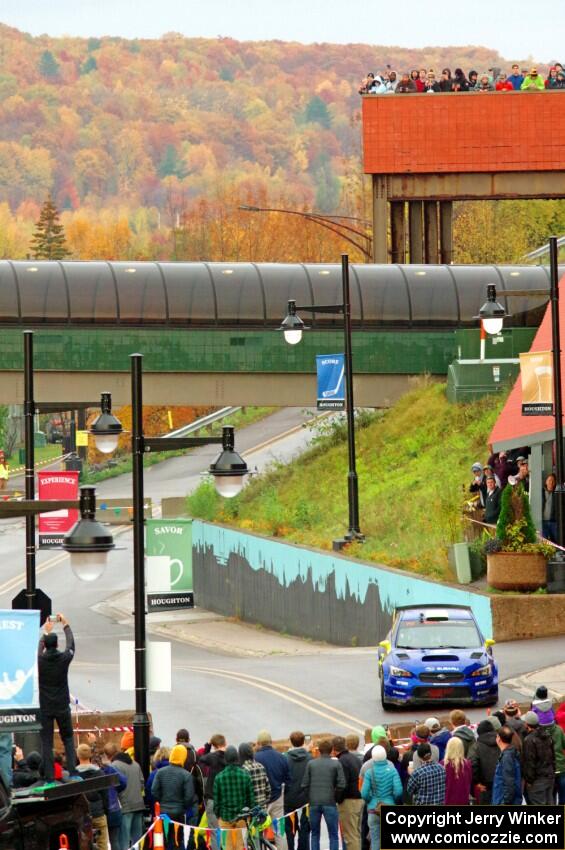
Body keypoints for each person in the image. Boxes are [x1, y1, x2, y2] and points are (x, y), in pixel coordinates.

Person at [37, 613, 77, 782]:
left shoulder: (39, 660)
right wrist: (66, 625)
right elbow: (71, 645)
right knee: (67, 737)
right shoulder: (64, 658)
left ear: (45, 645)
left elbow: (38, 650)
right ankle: (74, 772)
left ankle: (49, 777)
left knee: (46, 742)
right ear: (57, 644)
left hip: (45, 706)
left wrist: (45, 632)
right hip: (62, 705)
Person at [301, 737, 345, 850]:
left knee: (315, 834)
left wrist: (310, 797)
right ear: (331, 750)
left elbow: (304, 784)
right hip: (330, 802)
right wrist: (335, 797)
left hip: (314, 803)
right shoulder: (336, 764)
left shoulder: (311, 764)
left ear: (319, 750)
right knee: (333, 835)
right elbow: (341, 784)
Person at [152, 744, 195, 846]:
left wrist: (161, 801)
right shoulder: (186, 775)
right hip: (179, 813)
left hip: (163, 812)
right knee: (177, 840)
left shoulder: (160, 772)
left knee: (164, 840)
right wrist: (183, 806)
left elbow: (154, 790)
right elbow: (189, 797)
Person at [255, 730, 291, 850]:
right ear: (271, 742)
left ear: (259, 743)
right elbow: (288, 780)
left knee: (258, 832)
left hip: (260, 800)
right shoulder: (281, 757)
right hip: (277, 798)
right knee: (279, 832)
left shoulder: (255, 758)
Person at [360, 746, 402, 850]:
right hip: (389, 807)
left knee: (375, 840)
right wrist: (393, 799)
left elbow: (364, 793)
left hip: (373, 809)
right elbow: (398, 791)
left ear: (373, 757)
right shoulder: (392, 770)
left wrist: (370, 801)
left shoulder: (370, 772)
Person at [213, 746, 254, 850]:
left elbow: (216, 802)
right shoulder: (245, 775)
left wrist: (218, 815)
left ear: (225, 759)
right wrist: (249, 815)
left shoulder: (219, 777)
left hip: (225, 817)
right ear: (237, 758)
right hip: (242, 816)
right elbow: (251, 799)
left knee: (227, 847)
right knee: (240, 846)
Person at [109, 741, 145, 849]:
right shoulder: (136, 764)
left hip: (125, 808)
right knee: (137, 842)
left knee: (124, 843)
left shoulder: (114, 766)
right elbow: (142, 784)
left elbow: (113, 788)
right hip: (139, 805)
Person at [76, 743, 110, 850]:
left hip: (81, 816)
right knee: (102, 844)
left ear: (78, 756)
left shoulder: (73, 776)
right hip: (98, 813)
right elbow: (105, 794)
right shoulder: (99, 773)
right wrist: (105, 810)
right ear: (90, 755)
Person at [333, 736, 363, 850]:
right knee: (357, 834)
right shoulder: (354, 758)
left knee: (350, 837)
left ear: (334, 749)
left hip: (349, 801)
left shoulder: (342, 761)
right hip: (359, 799)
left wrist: (337, 798)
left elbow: (342, 784)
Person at [283, 732, 311, 850]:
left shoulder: (285, 758)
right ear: (304, 741)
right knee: (304, 829)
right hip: (305, 799)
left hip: (289, 799)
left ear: (290, 741)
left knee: (289, 830)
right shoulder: (310, 758)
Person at [199, 733, 227, 850]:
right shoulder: (229, 756)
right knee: (228, 829)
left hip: (213, 798)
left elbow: (201, 759)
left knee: (215, 831)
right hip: (227, 798)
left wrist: (208, 746)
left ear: (214, 745)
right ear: (225, 743)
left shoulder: (212, 757)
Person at [522, 711, 555, 804]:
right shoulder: (547, 735)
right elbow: (553, 756)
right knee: (550, 802)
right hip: (550, 776)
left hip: (537, 780)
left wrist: (529, 781)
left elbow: (529, 762)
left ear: (527, 724)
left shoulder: (529, 740)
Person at [100, 745, 128, 850]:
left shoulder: (94, 771)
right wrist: (116, 790)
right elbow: (123, 782)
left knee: (100, 842)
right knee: (114, 840)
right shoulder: (110, 769)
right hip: (114, 809)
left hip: (99, 811)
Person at [469, 719, 500, 804]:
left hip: (485, 786)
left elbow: (473, 764)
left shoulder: (476, 747)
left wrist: (476, 782)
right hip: (501, 782)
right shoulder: (501, 742)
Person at [491, 726, 522, 805]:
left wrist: (505, 802)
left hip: (503, 801)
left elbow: (509, 782)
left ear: (499, 738)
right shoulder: (511, 753)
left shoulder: (507, 757)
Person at [238, 742, 271, 809]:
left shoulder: (243, 769)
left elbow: (243, 794)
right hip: (262, 809)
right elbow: (268, 789)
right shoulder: (261, 766)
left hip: (250, 811)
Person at [443, 737, 472, 804]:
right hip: (463, 800)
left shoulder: (443, 765)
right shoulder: (467, 764)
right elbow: (469, 781)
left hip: (447, 801)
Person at [146, 746, 170, 813]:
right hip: (175, 811)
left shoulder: (153, 774)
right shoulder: (178, 772)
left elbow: (149, 792)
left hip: (158, 810)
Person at [543, 474, 557, 542]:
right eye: (549, 480)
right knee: (544, 542)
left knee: (555, 541)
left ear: (555, 483)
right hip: (542, 522)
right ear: (546, 482)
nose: (551, 482)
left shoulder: (557, 494)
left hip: (553, 522)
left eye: (553, 481)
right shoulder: (541, 493)